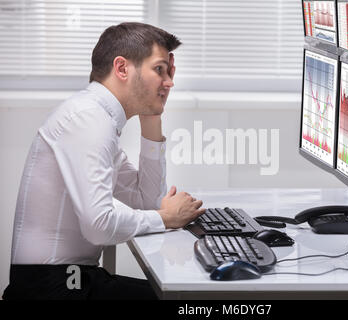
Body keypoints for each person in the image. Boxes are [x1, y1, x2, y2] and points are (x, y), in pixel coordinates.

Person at [3, 22, 205, 300]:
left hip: (69, 280)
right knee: (192, 302)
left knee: (185, 298)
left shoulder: (97, 119)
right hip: (53, 287)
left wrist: (152, 116)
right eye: (159, 69)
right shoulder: (88, 120)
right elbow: (98, 224)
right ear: (122, 68)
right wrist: (165, 218)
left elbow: (146, 199)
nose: (169, 82)